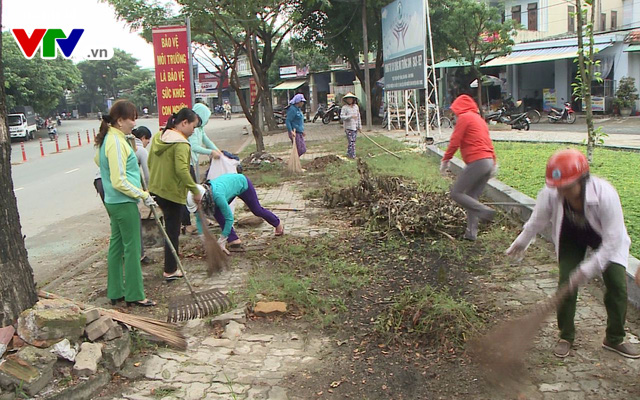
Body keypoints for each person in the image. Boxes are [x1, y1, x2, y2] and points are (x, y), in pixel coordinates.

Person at [506, 149, 638, 359]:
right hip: (571, 236)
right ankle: (566, 335)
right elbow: (537, 220)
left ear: (582, 180)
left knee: (617, 286)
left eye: (567, 187)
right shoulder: (551, 192)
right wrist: (521, 242)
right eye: (558, 188)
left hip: (605, 239)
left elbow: (613, 240)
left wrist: (586, 270)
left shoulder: (605, 194)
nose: (562, 192)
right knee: (566, 282)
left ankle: (614, 338)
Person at [94, 100, 156, 307]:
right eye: (132, 119)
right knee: (133, 248)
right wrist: (142, 194)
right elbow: (119, 180)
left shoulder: (112, 138)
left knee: (117, 246)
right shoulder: (116, 142)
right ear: (120, 121)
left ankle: (116, 291)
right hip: (123, 201)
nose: (134, 123)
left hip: (114, 201)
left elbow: (97, 160)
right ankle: (135, 294)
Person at [148, 108, 202, 281]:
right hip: (171, 193)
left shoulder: (159, 137)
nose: (194, 131)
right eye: (193, 126)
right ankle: (170, 270)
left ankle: (171, 266)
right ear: (184, 123)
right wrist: (194, 190)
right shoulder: (181, 143)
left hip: (156, 189)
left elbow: (149, 162)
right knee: (173, 231)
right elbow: (182, 170)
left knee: (169, 227)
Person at [440, 94, 497, 241]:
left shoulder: (465, 118)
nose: (455, 114)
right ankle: (471, 233)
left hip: (477, 162)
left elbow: (455, 141)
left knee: (456, 193)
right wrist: (494, 164)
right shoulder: (479, 120)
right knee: (471, 197)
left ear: (460, 108)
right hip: (488, 162)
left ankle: (484, 211)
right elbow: (488, 142)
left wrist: (446, 159)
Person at [187, 173, 284, 252]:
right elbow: (199, 219)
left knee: (257, 210)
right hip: (228, 190)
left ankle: (278, 224)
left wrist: (222, 239)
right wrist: (203, 237)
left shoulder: (217, 196)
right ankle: (234, 240)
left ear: (203, 200)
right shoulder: (199, 199)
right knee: (218, 214)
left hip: (242, 184)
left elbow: (230, 218)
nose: (198, 209)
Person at [181, 103, 222, 235]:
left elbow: (206, 140)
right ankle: (186, 224)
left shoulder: (199, 128)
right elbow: (194, 147)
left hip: (191, 163)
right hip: (186, 163)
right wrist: (210, 152)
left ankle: (201, 218)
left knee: (195, 192)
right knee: (189, 194)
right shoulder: (192, 129)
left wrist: (218, 151)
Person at [340, 93, 362, 159]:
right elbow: (342, 117)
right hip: (348, 127)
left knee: (353, 141)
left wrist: (359, 126)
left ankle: (349, 153)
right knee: (351, 142)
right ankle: (352, 156)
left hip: (355, 127)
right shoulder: (344, 108)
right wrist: (350, 117)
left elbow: (358, 117)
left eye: (351, 99)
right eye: (348, 99)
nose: (350, 100)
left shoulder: (356, 107)